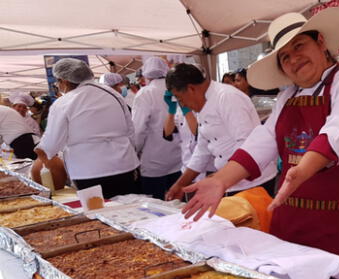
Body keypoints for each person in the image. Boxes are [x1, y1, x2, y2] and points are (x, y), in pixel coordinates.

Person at [174, 8, 339, 272]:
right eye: (285, 57)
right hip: (291, 221)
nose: (294, 59)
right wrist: (219, 180)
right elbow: (261, 141)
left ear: (320, 42)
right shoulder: (287, 97)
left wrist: (302, 171)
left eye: (299, 46)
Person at [164, 63, 277, 200]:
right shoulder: (202, 104)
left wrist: (214, 178)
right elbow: (202, 150)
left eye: (180, 99)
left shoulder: (227, 97)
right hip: (228, 183)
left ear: (191, 89)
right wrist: (180, 185)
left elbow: (246, 145)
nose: (182, 105)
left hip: (253, 184)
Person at [34, 58, 139, 198]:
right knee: (130, 210)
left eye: (58, 82)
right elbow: (130, 130)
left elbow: (51, 144)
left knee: (98, 213)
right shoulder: (113, 94)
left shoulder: (64, 102)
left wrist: (41, 152)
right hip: (125, 166)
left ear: (64, 81)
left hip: (89, 171)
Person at [131, 57, 183, 199]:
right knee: (179, 203)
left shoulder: (145, 93)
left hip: (154, 161)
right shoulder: (175, 88)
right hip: (179, 157)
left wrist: (135, 151)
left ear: (146, 74)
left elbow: (138, 129)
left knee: (156, 205)